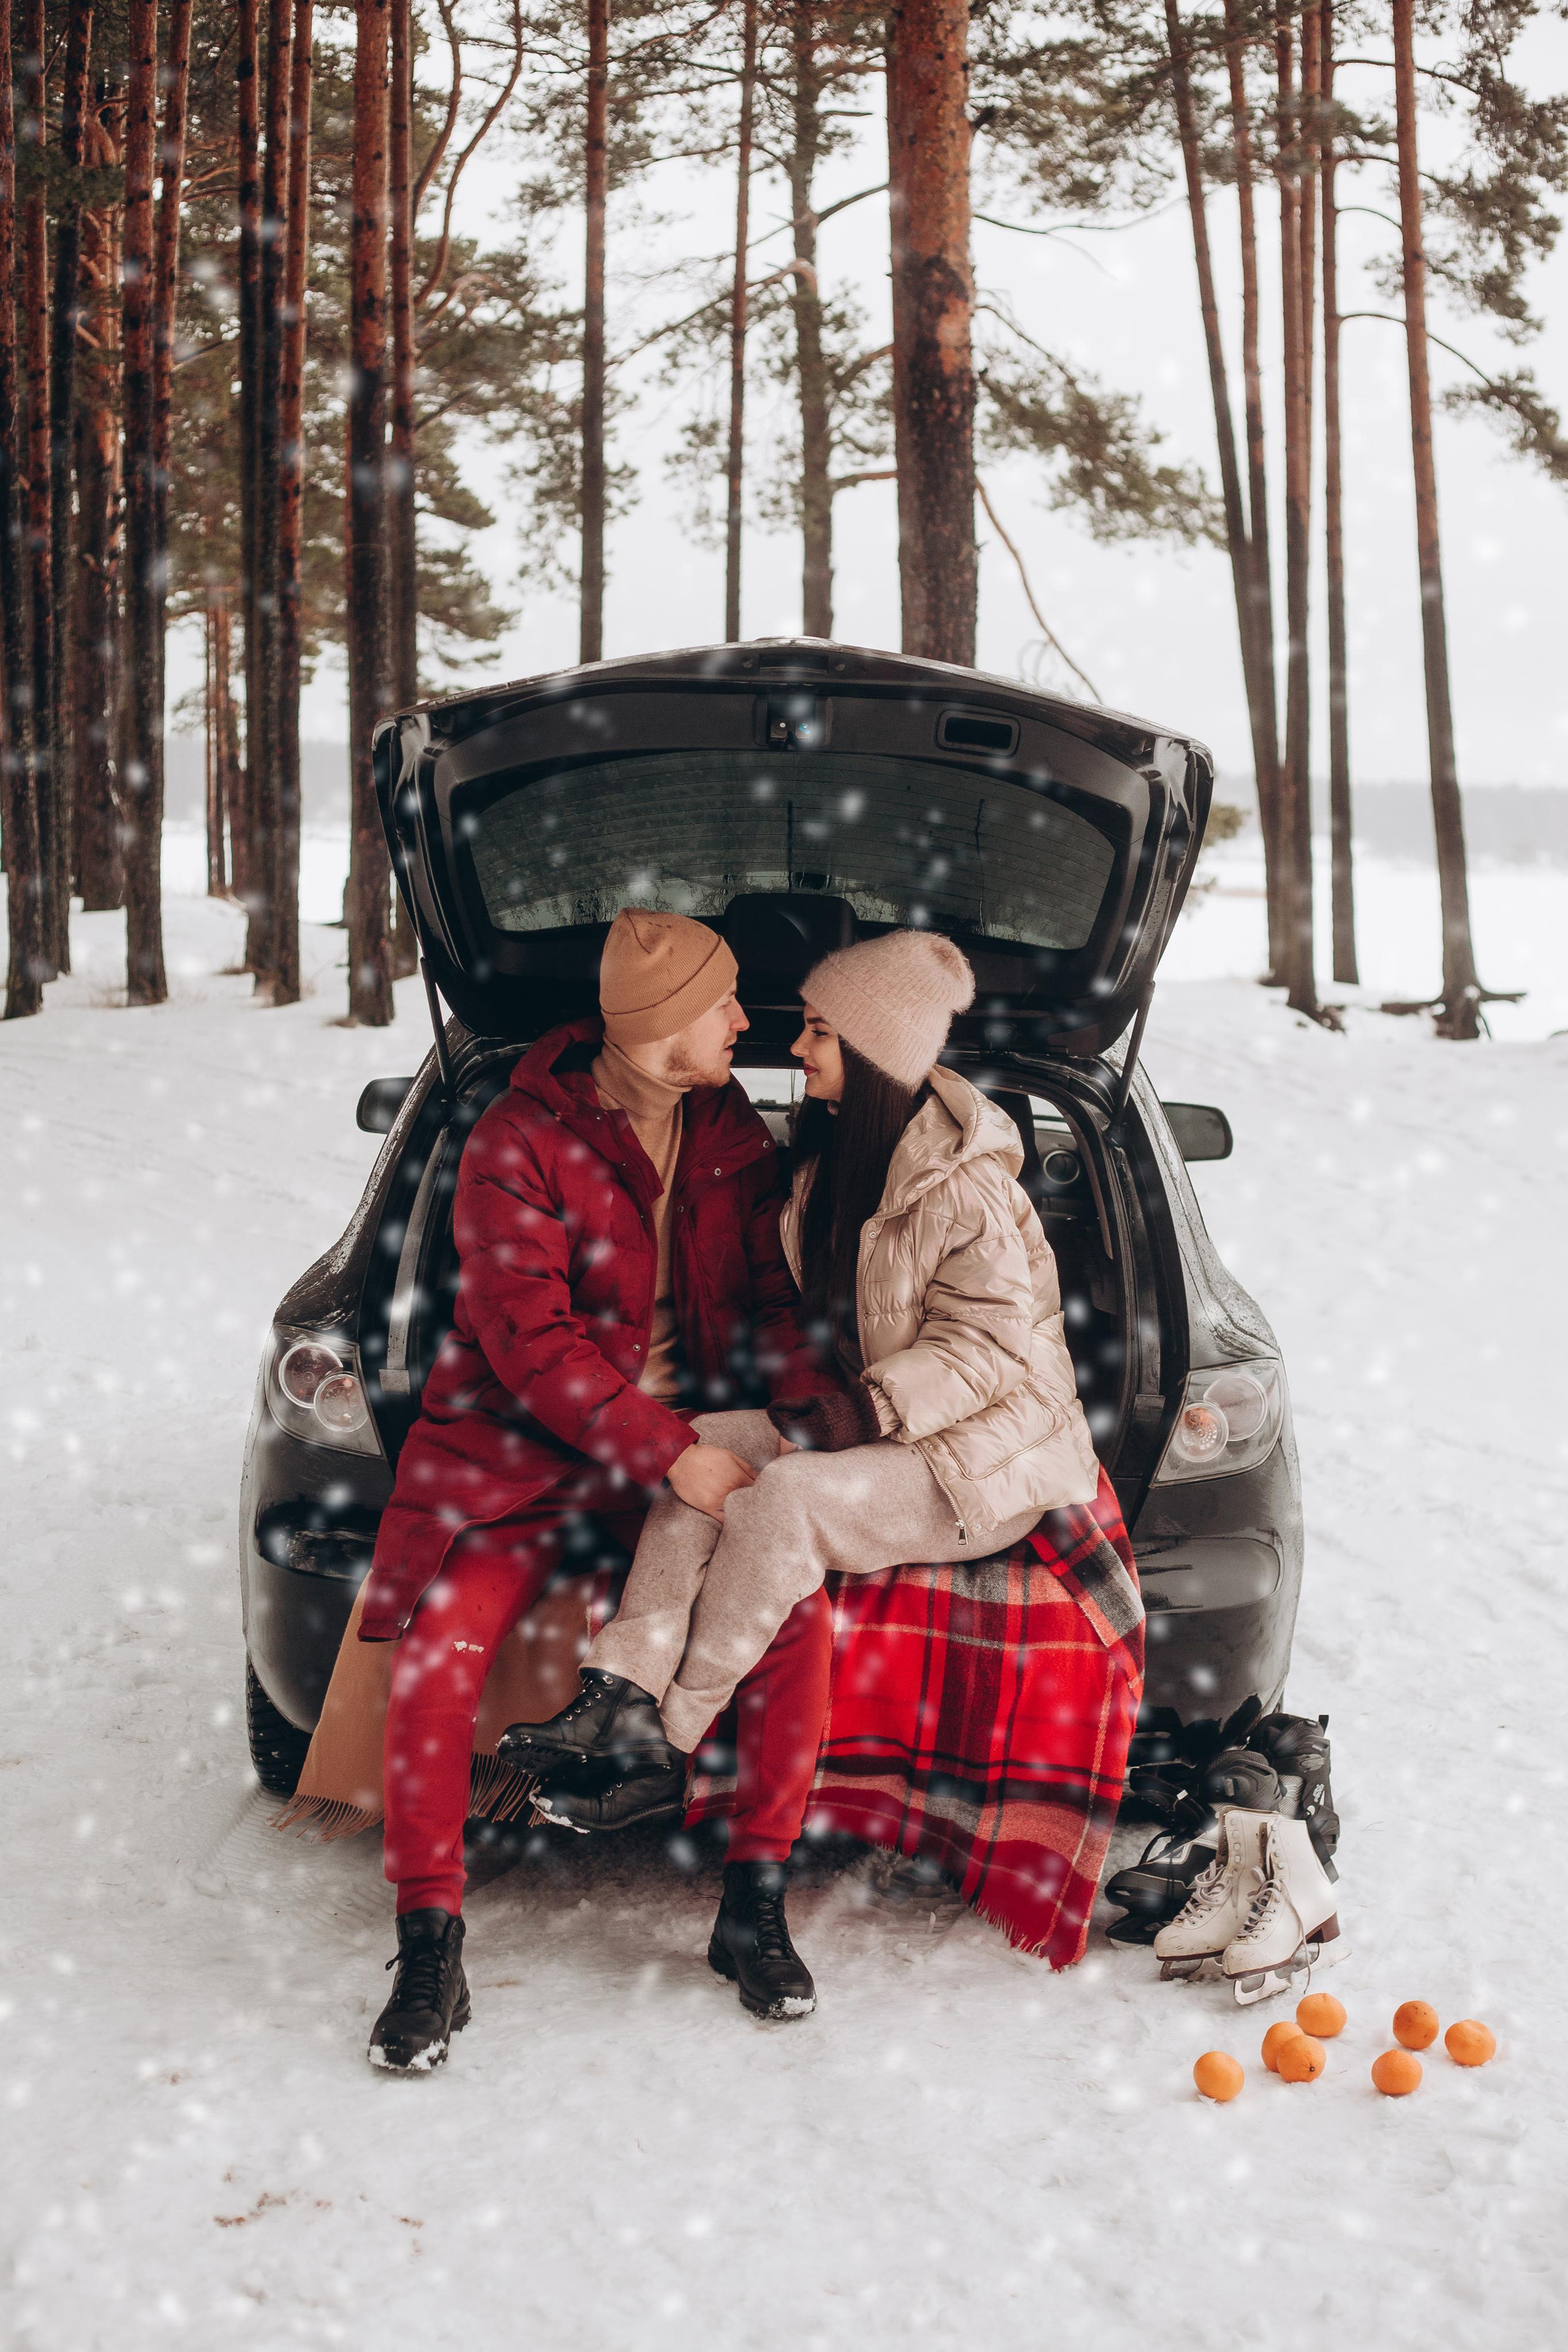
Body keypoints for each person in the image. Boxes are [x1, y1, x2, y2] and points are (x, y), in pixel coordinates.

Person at [505, 929, 1104, 2007]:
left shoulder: (965, 1185)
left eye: (821, 1028)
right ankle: (620, 1691)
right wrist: (799, 1401)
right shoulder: (832, 1158)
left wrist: (857, 1407)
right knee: (706, 1447)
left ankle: (669, 1738)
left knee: (782, 1499)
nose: (795, 1040)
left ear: (873, 1052)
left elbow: (985, 1353)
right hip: (888, 1429)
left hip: (980, 1461)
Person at [359, 907, 840, 2071]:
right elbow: (532, 1345)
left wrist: (815, 1424)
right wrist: (671, 1451)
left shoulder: (729, 1125)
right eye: (723, 1004)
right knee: (440, 1649)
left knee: (794, 1619)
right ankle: (430, 1937)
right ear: (667, 1023)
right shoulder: (517, 1139)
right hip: (518, 1455)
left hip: (685, 1447)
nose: (744, 1018)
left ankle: (752, 1903)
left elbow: (771, 1301)